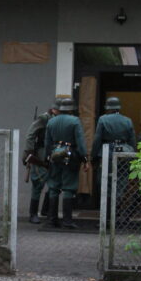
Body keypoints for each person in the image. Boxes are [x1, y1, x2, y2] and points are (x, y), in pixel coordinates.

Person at [44, 97, 89, 229]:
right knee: (68, 187)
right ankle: (67, 221)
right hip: (71, 158)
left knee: (53, 187)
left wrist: (48, 157)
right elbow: (80, 142)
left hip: (54, 156)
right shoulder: (75, 121)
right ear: (72, 109)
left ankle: (52, 220)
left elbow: (47, 143)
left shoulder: (51, 121)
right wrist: (85, 159)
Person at [92, 97, 136, 223]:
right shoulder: (127, 120)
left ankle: (105, 218)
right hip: (123, 154)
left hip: (107, 153)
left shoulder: (103, 119)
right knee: (120, 184)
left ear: (108, 108)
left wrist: (93, 156)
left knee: (105, 184)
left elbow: (97, 139)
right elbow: (132, 140)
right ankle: (115, 218)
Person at [23, 99, 60, 224]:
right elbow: (31, 134)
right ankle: (33, 213)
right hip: (41, 154)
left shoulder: (60, 119)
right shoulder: (44, 118)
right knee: (38, 183)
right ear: (54, 109)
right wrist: (29, 152)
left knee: (54, 183)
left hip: (55, 153)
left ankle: (46, 210)